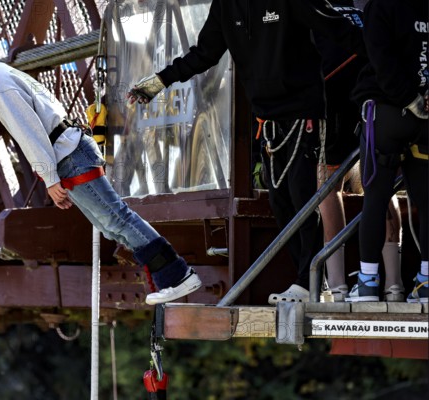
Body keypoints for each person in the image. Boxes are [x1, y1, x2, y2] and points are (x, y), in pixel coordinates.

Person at [0, 26, 202, 305]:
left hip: (70, 157)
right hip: (71, 154)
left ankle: (176, 275)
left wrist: (51, 179)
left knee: (117, 219)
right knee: (111, 226)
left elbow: (31, 134)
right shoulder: (4, 74)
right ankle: (170, 277)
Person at [127, 0, 365, 304]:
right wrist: (158, 82)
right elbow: (204, 54)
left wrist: (391, 69)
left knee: (303, 196)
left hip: (303, 112)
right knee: (281, 203)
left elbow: (339, 29)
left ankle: (310, 283)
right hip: (267, 119)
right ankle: (311, 282)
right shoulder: (226, 6)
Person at [315, 0, 404, 302]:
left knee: (328, 184)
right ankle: (393, 282)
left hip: (338, 95)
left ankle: (338, 284)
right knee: (379, 179)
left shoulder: (320, 5)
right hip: (375, 92)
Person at [346, 0, 428, 303]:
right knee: (428, 202)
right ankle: (426, 283)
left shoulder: (381, 6)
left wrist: (407, 98)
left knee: (377, 198)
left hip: (386, 112)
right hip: (425, 118)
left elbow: (381, 59)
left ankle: (368, 283)